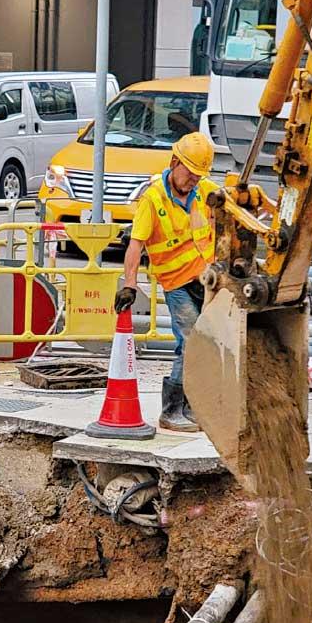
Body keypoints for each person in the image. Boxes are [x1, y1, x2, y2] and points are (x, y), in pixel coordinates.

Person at [114, 132, 219, 432]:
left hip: (207, 281)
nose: (194, 181)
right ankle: (171, 410)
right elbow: (136, 246)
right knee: (190, 341)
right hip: (177, 284)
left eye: (199, 176)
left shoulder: (205, 192)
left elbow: (230, 214)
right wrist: (130, 284)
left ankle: (192, 406)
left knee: (206, 345)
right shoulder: (153, 198)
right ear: (175, 162)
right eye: (190, 173)